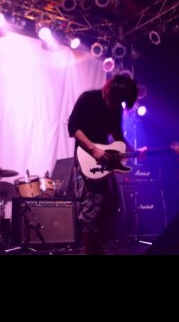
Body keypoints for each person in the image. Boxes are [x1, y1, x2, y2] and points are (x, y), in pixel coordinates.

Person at [68, 74, 139, 255]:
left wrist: (135, 152)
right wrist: (93, 150)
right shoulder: (88, 99)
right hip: (86, 159)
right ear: (109, 88)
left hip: (105, 163)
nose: (116, 104)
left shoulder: (115, 110)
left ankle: (98, 248)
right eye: (116, 99)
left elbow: (117, 136)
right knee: (91, 208)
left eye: (120, 102)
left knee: (111, 205)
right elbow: (73, 127)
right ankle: (90, 251)